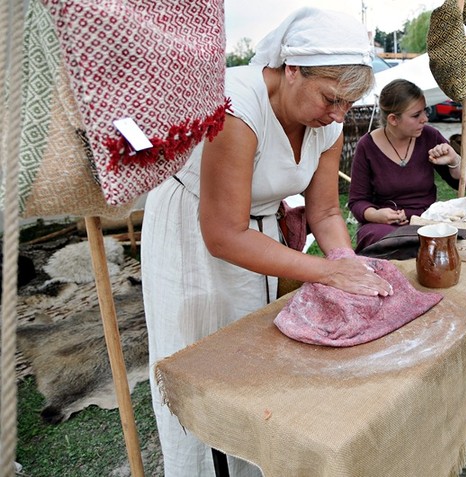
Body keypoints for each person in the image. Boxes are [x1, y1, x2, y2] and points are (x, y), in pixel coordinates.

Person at [141, 8, 394, 477]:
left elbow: (324, 211)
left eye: (348, 104)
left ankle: (250, 464)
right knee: (196, 362)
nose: (338, 115)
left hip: (259, 237)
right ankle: (198, 468)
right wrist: (324, 271)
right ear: (292, 69)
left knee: (254, 359)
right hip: (193, 237)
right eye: (331, 99)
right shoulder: (237, 106)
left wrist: (344, 261)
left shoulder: (329, 122)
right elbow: (222, 234)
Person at [347, 79, 466, 252]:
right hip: (384, 228)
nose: (425, 119)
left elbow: (463, 182)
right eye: (416, 115)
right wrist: (376, 215)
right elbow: (357, 201)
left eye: (425, 111)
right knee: (380, 239)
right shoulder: (367, 146)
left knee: (447, 235)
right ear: (393, 119)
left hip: (426, 220)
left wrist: (454, 161)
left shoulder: (429, 136)